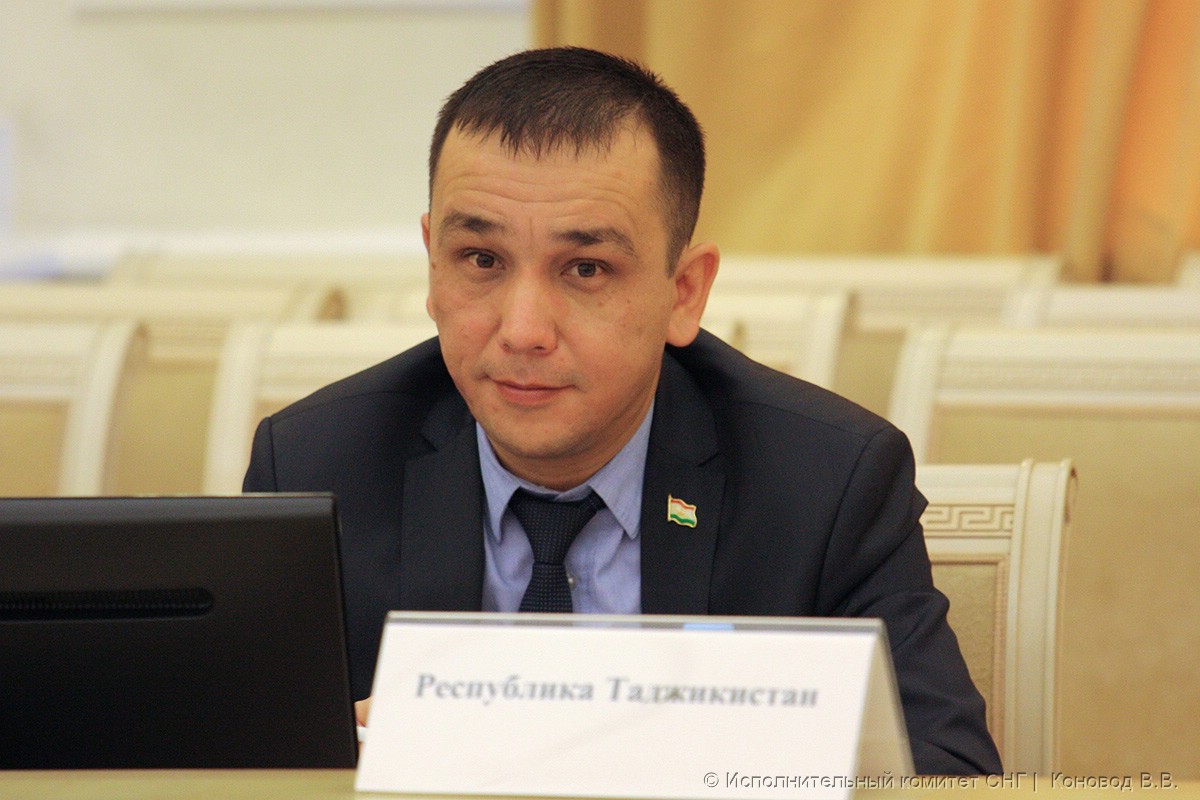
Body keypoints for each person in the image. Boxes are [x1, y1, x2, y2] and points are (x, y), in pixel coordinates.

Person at [243, 46, 1001, 775]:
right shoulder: (317, 466)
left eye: (586, 268)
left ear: (684, 293)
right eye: (481, 260)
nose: (523, 330)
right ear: (433, 263)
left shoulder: (825, 483)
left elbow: (944, 774)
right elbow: (228, 762)